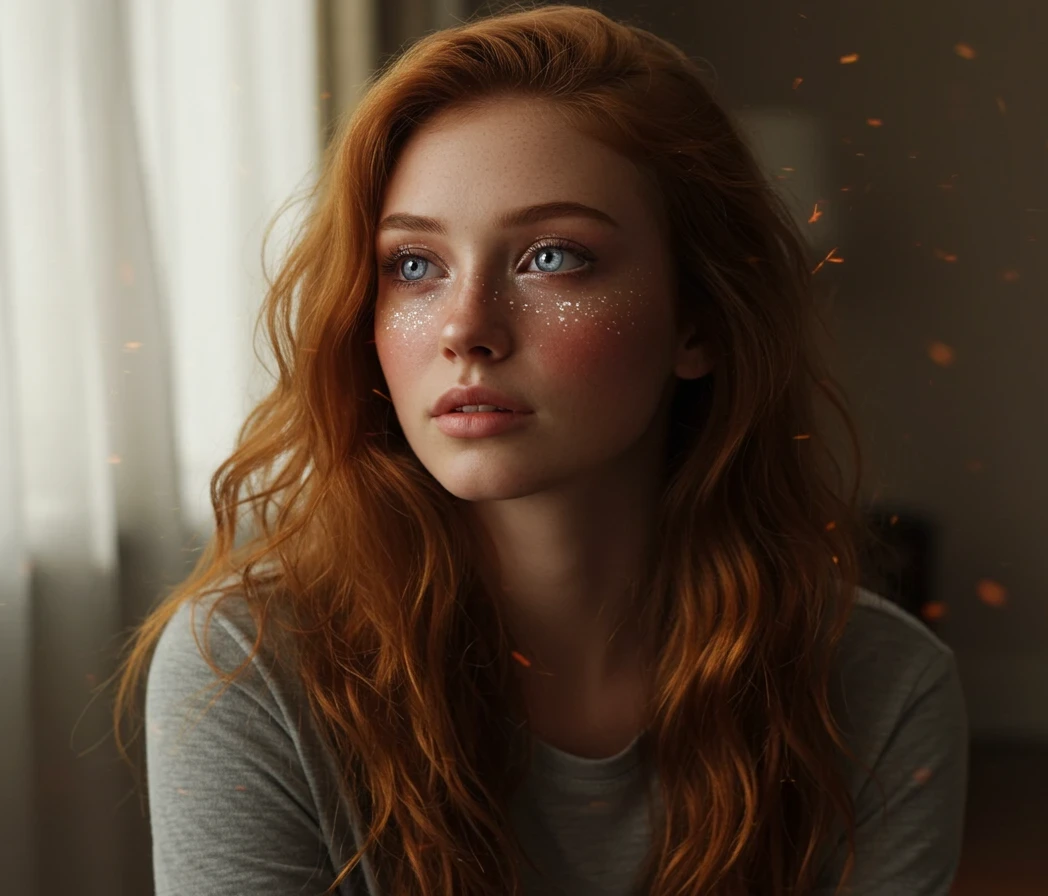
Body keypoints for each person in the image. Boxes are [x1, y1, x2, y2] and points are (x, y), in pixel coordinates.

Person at [110, 4, 968, 894]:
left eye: (553, 257)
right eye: (414, 265)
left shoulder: (878, 689)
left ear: (699, 321)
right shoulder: (251, 670)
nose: (466, 328)